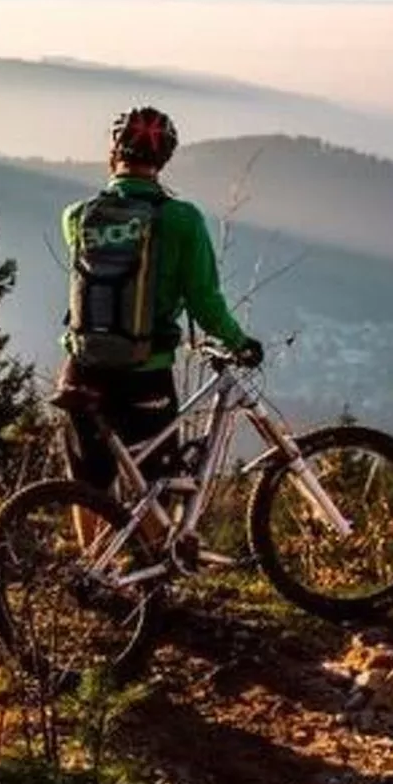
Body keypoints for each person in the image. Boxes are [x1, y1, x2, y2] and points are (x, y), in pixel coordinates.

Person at [56, 106, 263, 496]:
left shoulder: (78, 217)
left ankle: (94, 558)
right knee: (157, 486)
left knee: (88, 484)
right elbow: (205, 302)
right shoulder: (182, 220)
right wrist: (241, 343)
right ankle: (155, 556)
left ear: (113, 153)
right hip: (146, 372)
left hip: (83, 368)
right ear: (163, 160)